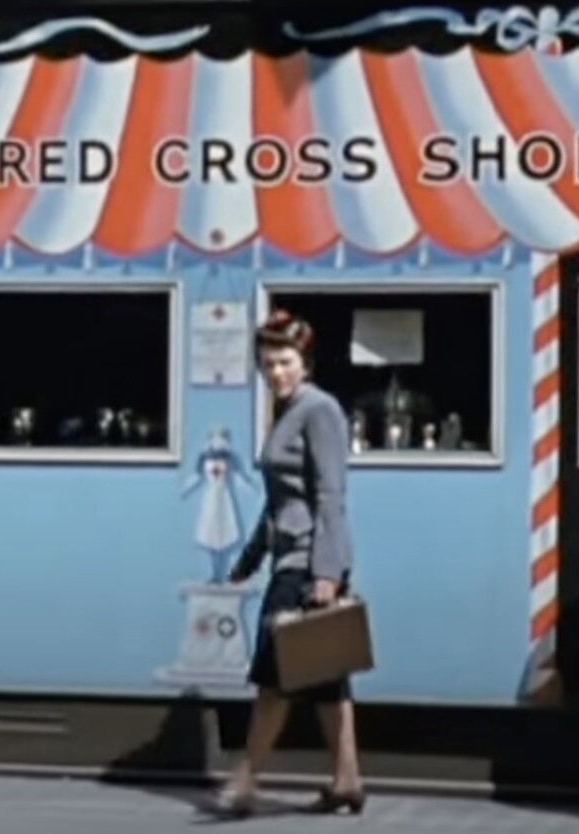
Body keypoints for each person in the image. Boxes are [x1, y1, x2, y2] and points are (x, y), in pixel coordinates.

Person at [214, 309, 363, 817]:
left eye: (284, 362)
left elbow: (330, 495)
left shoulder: (319, 410)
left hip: (305, 563)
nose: (275, 373)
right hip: (290, 555)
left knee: (273, 678)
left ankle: (244, 781)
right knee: (325, 677)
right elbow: (280, 499)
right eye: (267, 365)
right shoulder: (289, 409)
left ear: (306, 362)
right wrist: (251, 556)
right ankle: (347, 780)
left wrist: (326, 572)